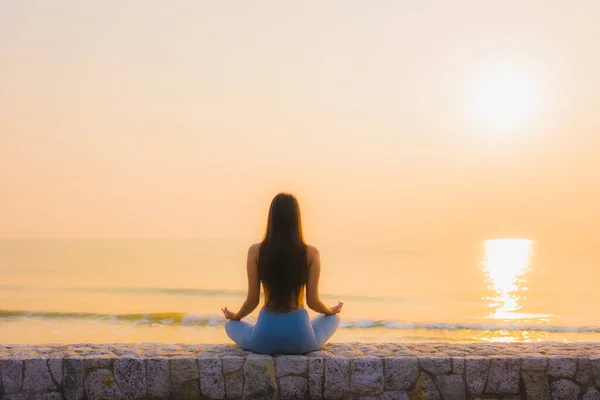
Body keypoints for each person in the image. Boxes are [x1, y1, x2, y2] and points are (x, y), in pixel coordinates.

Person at [221, 193, 343, 354]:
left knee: (230, 326)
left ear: (271, 218)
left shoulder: (256, 251)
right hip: (301, 340)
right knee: (334, 319)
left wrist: (236, 317)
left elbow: (252, 301)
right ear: (297, 218)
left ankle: (257, 331)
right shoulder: (311, 253)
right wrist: (330, 311)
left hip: (264, 338)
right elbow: (313, 302)